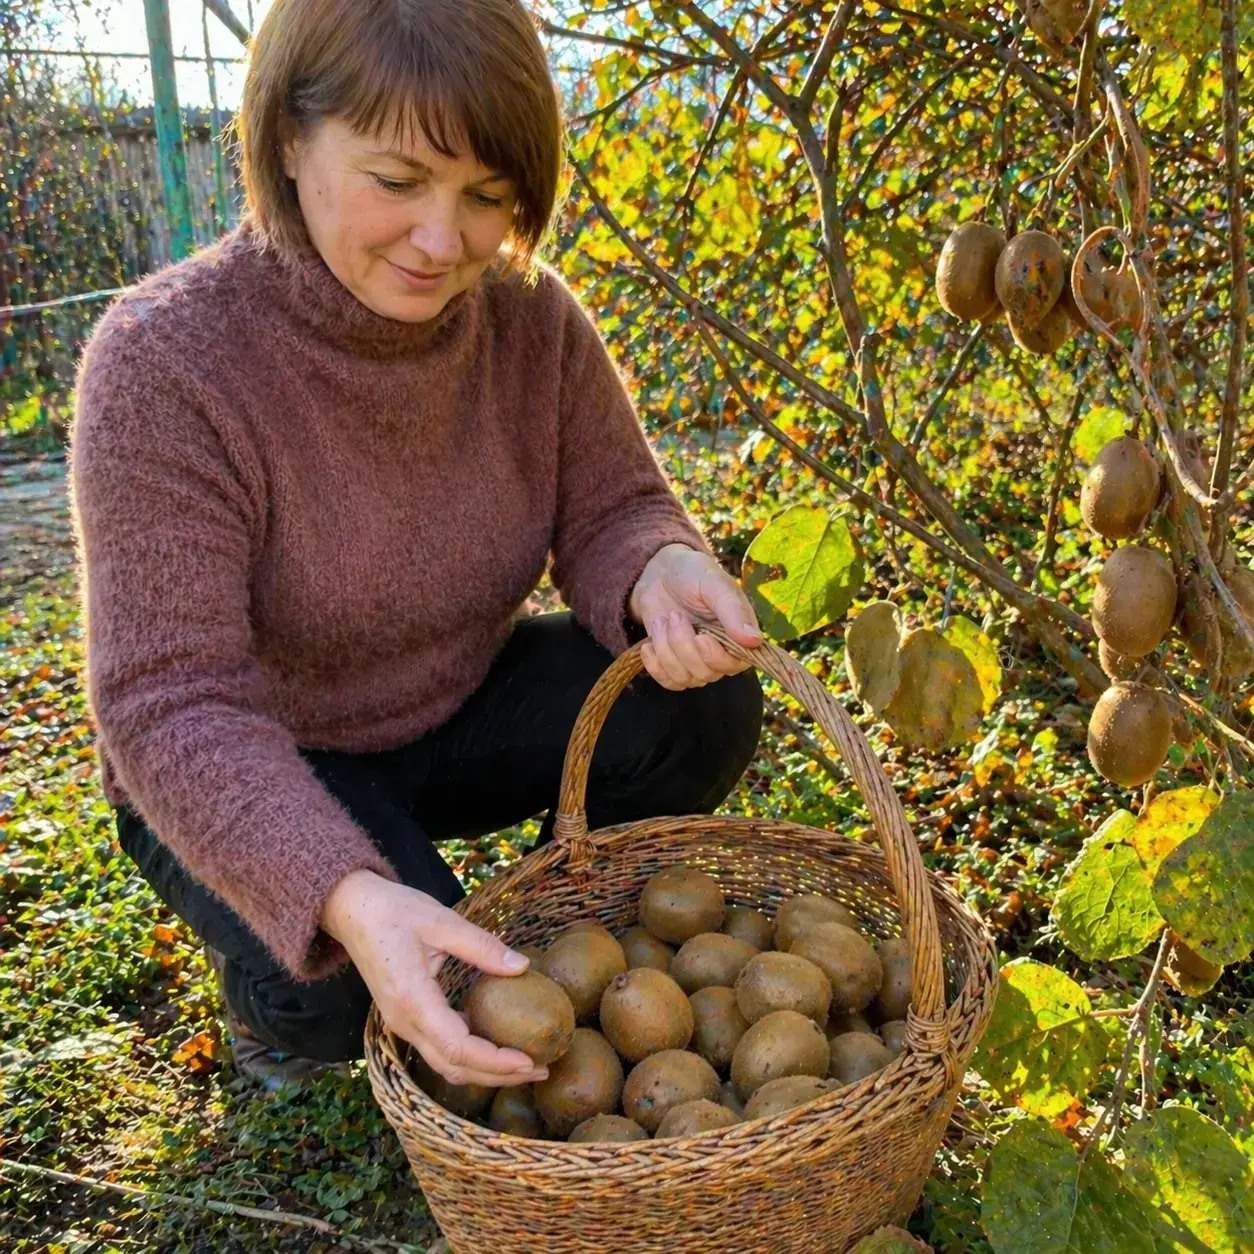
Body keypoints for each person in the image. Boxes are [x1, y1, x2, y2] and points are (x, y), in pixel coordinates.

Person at [69, 0, 764, 1094]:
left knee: (696, 705)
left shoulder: (530, 322)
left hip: (451, 710)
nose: (444, 242)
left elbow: (613, 506)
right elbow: (170, 703)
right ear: (288, 141)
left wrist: (654, 564)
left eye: (486, 196)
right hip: (253, 760)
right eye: (398, 181)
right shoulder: (168, 367)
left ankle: (561, 941)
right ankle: (273, 1006)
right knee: (349, 979)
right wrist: (345, 894)